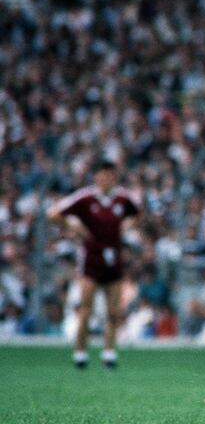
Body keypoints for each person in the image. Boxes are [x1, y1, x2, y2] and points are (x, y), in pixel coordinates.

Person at [47, 158, 140, 369]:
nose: (106, 178)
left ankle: (109, 353)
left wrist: (126, 226)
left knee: (113, 310)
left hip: (114, 258)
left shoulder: (123, 199)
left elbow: (138, 214)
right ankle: (80, 353)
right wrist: (74, 227)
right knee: (86, 308)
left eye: (110, 174)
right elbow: (54, 214)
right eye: (102, 174)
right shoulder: (85, 198)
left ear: (114, 177)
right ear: (96, 176)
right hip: (91, 258)